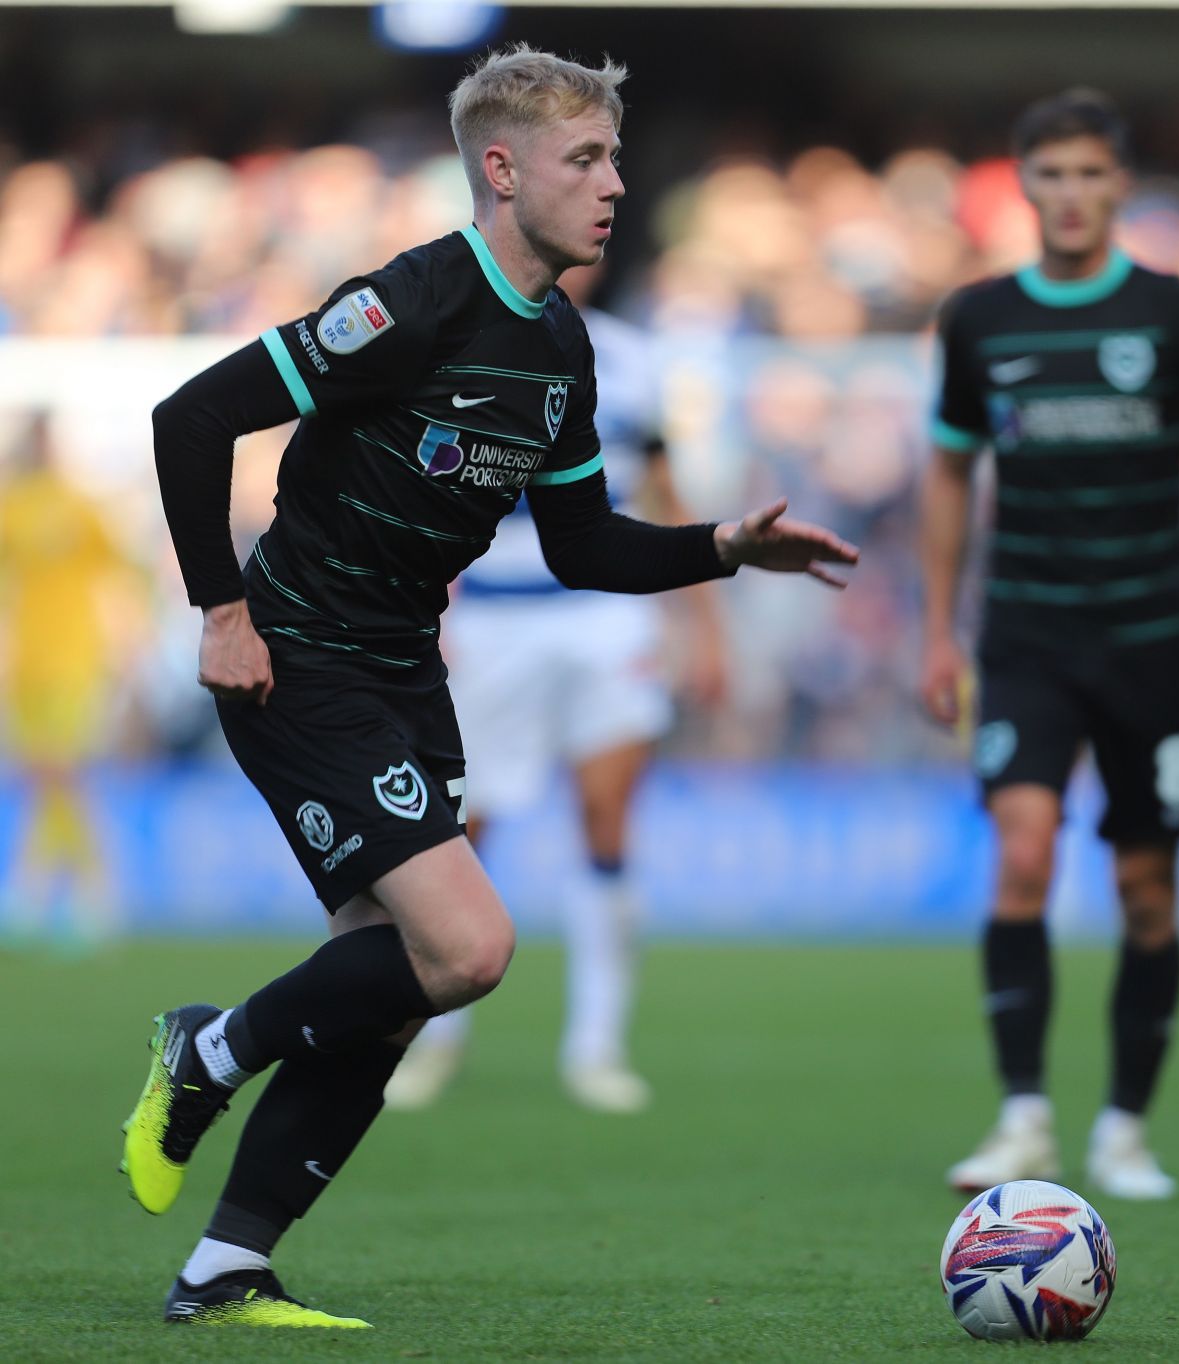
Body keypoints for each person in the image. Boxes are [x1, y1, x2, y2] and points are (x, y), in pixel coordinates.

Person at [127, 45, 856, 1329]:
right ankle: (211, 1048)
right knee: (469, 946)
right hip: (297, 656)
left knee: (385, 993)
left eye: (618, 157)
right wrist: (221, 611)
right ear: (503, 170)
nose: (617, 185)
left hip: (409, 670)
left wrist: (722, 551)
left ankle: (224, 1265)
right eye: (587, 159)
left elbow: (583, 547)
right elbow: (190, 419)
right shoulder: (411, 301)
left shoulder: (564, 348)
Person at [918, 89, 1179, 1202]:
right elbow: (947, 468)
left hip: (1149, 641)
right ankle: (1025, 1115)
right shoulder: (978, 320)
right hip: (1026, 635)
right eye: (1051, 174)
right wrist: (939, 627)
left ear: (1121, 186)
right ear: (1022, 186)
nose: (1071, 195)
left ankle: (1123, 1127)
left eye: (1090, 174)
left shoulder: (1176, 314)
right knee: (1023, 852)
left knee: (1148, 891)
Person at [384, 272, 727, 1115]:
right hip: (494, 617)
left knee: (606, 823)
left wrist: (707, 623)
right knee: (460, 830)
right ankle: (434, 1037)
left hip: (607, 616)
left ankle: (597, 1046)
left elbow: (660, 488)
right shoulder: (459, 339)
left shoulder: (634, 355)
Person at [0, 413, 139, 943]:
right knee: (43, 777)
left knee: (60, 771)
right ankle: (52, 893)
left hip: (76, 658)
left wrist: (128, 646)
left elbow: (122, 569)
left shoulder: (81, 504)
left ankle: (83, 893)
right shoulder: (12, 505)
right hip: (26, 664)